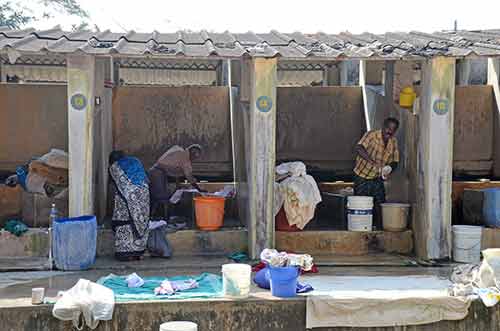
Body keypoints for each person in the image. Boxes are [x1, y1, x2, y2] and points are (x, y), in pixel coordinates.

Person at [353, 117, 400, 230]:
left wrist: (389, 168)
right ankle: (360, 230)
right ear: (383, 126)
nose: (390, 131)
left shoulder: (393, 142)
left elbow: (395, 161)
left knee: (380, 205)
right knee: (362, 205)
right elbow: (359, 148)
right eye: (388, 128)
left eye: (393, 129)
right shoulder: (372, 135)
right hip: (362, 176)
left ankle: (378, 231)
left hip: (377, 178)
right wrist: (373, 162)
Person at [109, 151, 150, 261]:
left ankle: (126, 253)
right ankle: (138, 251)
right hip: (143, 193)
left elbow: (118, 184)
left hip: (127, 197)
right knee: (141, 218)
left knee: (124, 219)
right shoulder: (135, 161)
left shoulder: (115, 166)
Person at [147, 144, 204, 217]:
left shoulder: (178, 149)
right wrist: (199, 189)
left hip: (156, 172)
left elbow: (174, 168)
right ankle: (164, 218)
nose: (194, 159)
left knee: (157, 197)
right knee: (163, 198)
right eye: (195, 157)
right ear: (193, 153)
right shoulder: (185, 159)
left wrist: (178, 185)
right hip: (158, 173)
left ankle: (154, 217)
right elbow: (189, 177)